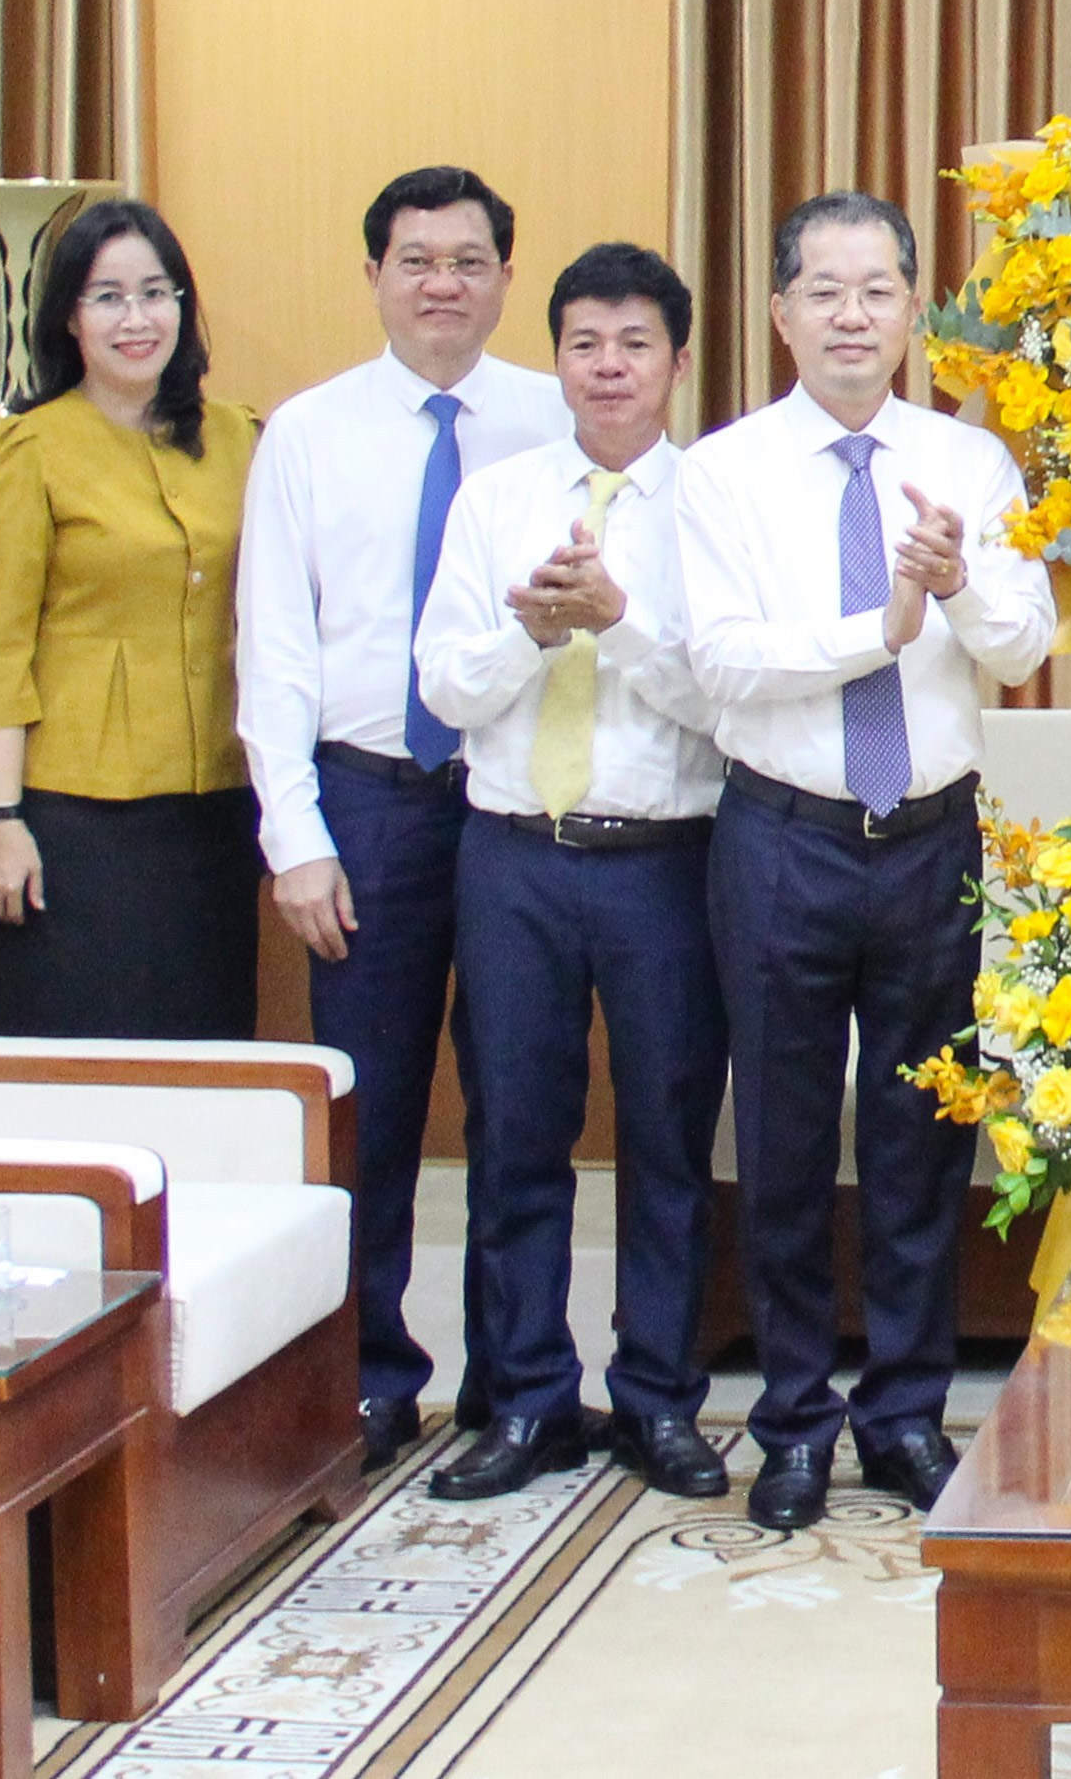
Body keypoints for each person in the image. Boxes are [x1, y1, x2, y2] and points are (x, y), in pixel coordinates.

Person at [679, 190, 1051, 1533]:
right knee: (780, 1137)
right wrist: (877, 623)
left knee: (921, 1136)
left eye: (878, 288)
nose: (852, 313)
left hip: (932, 836)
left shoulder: (970, 458)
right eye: (824, 289)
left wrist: (949, 588)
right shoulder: (719, 469)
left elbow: (1017, 647)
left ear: (912, 310)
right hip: (783, 833)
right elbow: (720, 658)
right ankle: (790, 1419)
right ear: (779, 312)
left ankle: (901, 1410)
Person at [236, 165, 570, 1473]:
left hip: (509, 805)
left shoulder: (558, 418)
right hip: (366, 802)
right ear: (372, 272)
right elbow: (275, 649)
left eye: (471, 259)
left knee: (517, 1097)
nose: (444, 283)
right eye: (418, 259)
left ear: (504, 279)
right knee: (368, 1111)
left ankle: (515, 1381)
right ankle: (373, 1373)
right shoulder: (309, 433)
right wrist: (297, 839)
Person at [411, 242, 731, 1503]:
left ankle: (659, 1400)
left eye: (635, 344)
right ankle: (529, 1401)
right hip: (512, 856)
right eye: (586, 344)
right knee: (515, 1135)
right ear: (557, 360)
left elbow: (726, 702)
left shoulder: (715, 505)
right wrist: (532, 628)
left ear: (677, 363)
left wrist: (618, 623)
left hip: (666, 859)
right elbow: (443, 687)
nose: (610, 368)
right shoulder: (497, 498)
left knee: (664, 1139)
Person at [0, 200, 259, 1037]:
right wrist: (1, 819)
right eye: (108, 297)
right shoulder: (26, 449)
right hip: (75, 816)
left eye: (156, 293)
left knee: (207, 1055)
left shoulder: (243, 438)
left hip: (218, 805)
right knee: (86, 1059)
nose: (137, 318)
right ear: (68, 316)